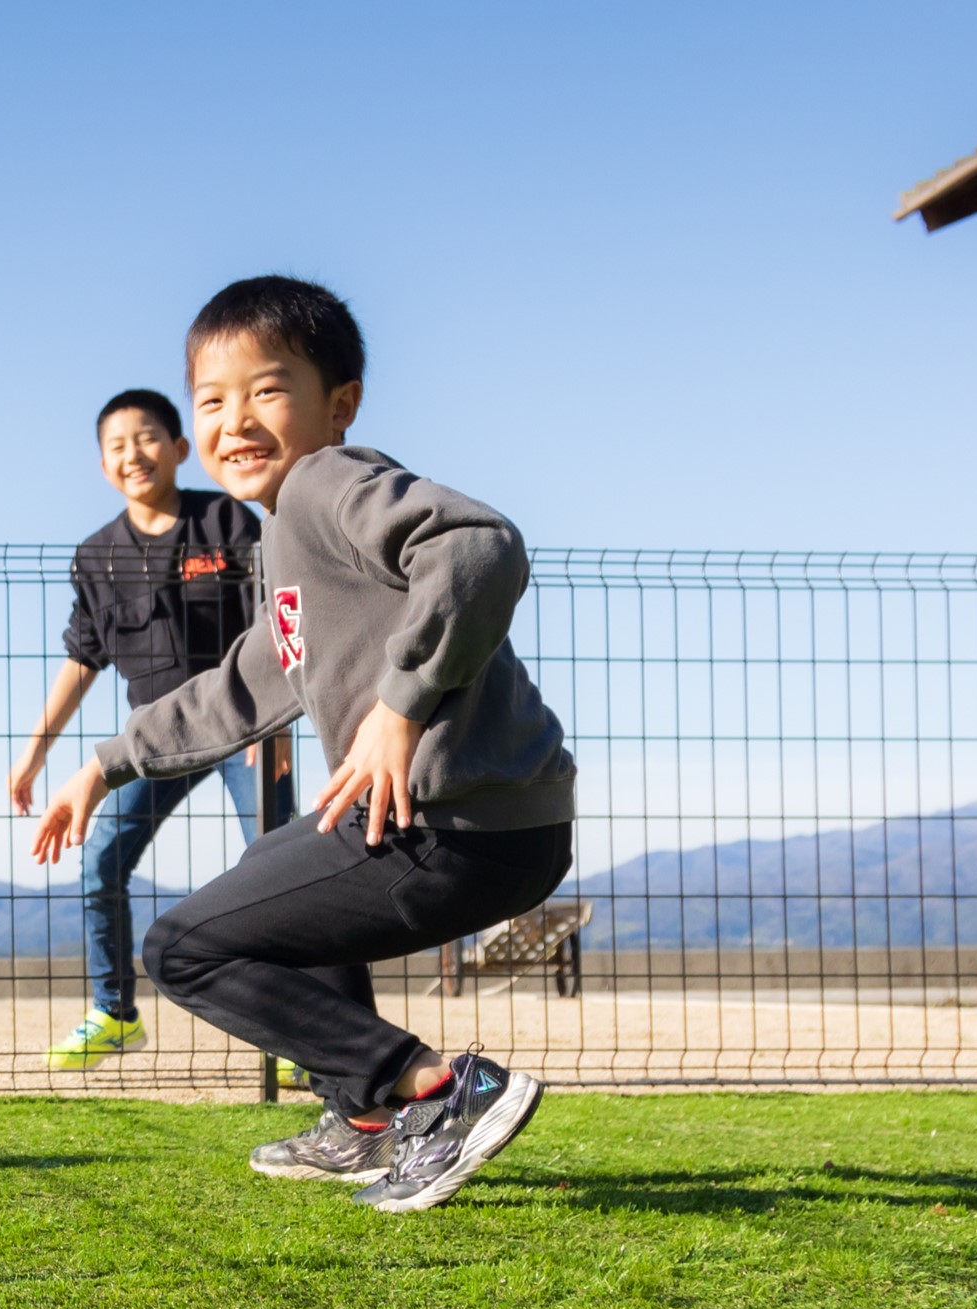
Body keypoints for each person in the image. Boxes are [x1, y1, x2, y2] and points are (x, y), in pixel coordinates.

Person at [30, 277, 575, 1214]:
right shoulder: (285, 537)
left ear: (340, 405)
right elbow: (243, 685)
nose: (235, 418)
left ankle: (437, 1089)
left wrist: (401, 706)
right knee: (276, 876)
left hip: (457, 823)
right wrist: (106, 760)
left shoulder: (327, 485)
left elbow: (481, 546)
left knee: (184, 949)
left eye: (267, 390)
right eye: (212, 400)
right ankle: (364, 1122)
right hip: (480, 822)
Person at [11, 390, 356, 1072]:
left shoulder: (232, 521)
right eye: (115, 445)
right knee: (99, 863)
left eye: (145, 439)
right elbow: (83, 658)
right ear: (103, 463)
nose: (131, 455)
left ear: (177, 448)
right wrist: (34, 754)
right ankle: (113, 1012)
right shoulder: (97, 556)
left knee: (286, 870)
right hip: (152, 740)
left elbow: (283, 622)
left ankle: (307, 1030)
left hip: (247, 727)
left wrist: (282, 728)